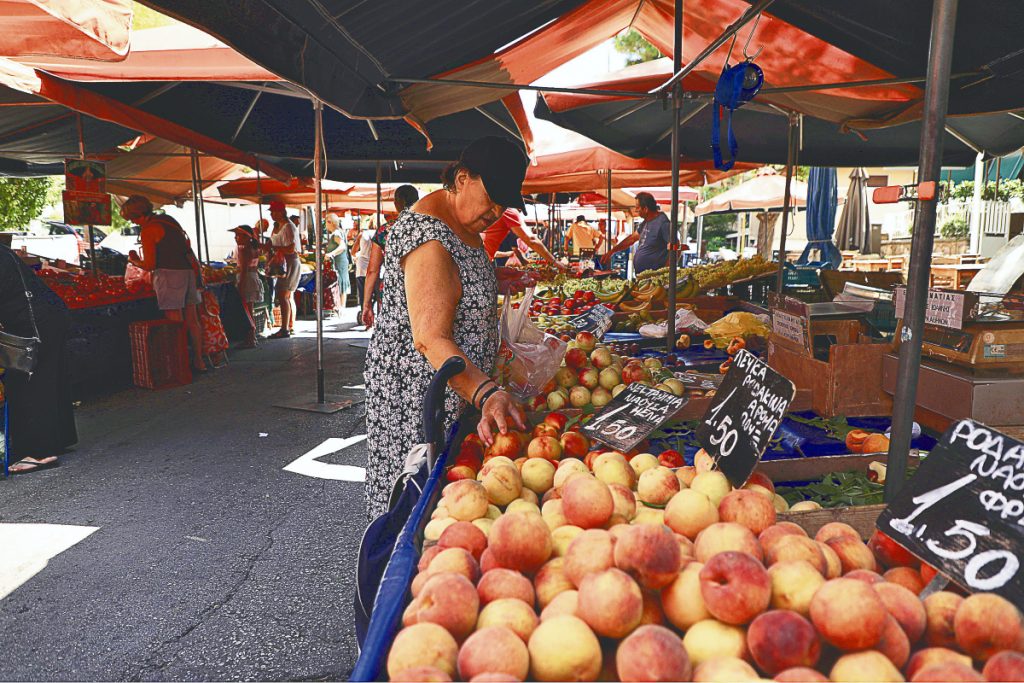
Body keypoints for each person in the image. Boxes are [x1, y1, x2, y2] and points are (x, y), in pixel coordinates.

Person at [364, 136, 532, 521]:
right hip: (418, 402)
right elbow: (430, 337)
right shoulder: (428, 237)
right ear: (462, 178)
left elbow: (454, 284)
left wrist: (494, 278)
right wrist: (487, 392)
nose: (496, 210)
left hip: (453, 395)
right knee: (416, 510)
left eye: (504, 202)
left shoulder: (460, 223)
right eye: (491, 196)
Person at [0, 243, 77, 474]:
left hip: (34, 321)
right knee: (51, 377)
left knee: (26, 381)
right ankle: (59, 438)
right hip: (49, 314)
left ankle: (38, 451)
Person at [122, 195, 206, 372]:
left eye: (132, 219)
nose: (134, 223)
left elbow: (150, 264)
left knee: (174, 321)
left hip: (169, 275)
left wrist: (134, 260)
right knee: (193, 320)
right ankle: (199, 360)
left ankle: (180, 365)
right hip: (189, 272)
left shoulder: (148, 229)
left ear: (136, 215)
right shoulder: (168, 220)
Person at [361, 184, 419, 328]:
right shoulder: (430, 228)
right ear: (417, 201)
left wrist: (366, 304)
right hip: (422, 290)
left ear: (396, 204)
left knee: (392, 340)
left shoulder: (384, 231)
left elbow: (372, 271)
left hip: (393, 293)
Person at [599, 191, 686, 274]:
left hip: (655, 278)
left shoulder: (663, 223)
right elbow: (632, 239)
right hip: (642, 275)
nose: (636, 210)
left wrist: (666, 269)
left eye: (638, 207)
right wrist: (612, 251)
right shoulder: (646, 222)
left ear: (645, 209)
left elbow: (676, 247)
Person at [482, 208, 568, 272]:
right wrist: (554, 261)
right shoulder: (508, 211)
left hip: (480, 259)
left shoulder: (491, 210)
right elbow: (531, 239)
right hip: (481, 262)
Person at [267, 199, 301, 339]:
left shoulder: (288, 226)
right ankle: (289, 325)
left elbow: (290, 248)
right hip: (283, 262)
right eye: (271, 212)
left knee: (283, 295)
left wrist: (272, 248)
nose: (272, 214)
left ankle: (285, 328)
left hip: (289, 262)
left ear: (281, 212)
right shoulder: (277, 226)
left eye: (274, 211)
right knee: (287, 295)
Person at [229, 224, 264, 348]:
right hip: (253, 277)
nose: (236, 238)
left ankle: (250, 338)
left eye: (238, 235)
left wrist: (240, 285)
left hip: (247, 279)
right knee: (250, 310)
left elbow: (243, 270)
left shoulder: (244, 249)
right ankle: (252, 337)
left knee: (247, 311)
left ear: (246, 236)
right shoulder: (254, 247)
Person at [324, 212, 352, 305]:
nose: (325, 225)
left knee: (341, 284)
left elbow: (342, 246)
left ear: (330, 222)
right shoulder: (340, 231)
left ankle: (341, 307)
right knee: (342, 283)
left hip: (339, 262)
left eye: (326, 222)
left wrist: (331, 254)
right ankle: (341, 307)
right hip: (342, 261)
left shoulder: (336, 233)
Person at [353, 216, 377, 312]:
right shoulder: (380, 235)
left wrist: (360, 254)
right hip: (375, 266)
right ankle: (374, 309)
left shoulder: (362, 234)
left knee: (363, 292)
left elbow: (353, 251)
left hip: (362, 267)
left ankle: (364, 312)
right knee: (376, 291)